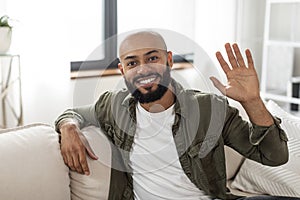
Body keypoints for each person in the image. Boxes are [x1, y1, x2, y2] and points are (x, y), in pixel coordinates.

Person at [55, 31, 297, 200]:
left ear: (168, 60)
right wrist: (68, 127)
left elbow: (275, 157)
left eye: (152, 58)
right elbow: (73, 113)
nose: (144, 69)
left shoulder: (210, 108)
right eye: (132, 63)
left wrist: (253, 101)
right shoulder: (113, 106)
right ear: (123, 70)